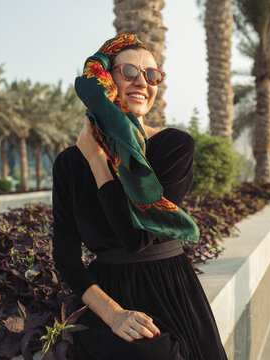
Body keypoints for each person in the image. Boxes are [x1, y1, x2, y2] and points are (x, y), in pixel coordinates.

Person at [52, 34, 227, 360]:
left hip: (170, 290)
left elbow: (137, 238)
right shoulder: (68, 163)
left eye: (152, 74)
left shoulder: (173, 146)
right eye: (129, 71)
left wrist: (98, 162)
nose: (142, 82)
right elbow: (65, 253)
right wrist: (113, 314)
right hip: (106, 296)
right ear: (103, 78)